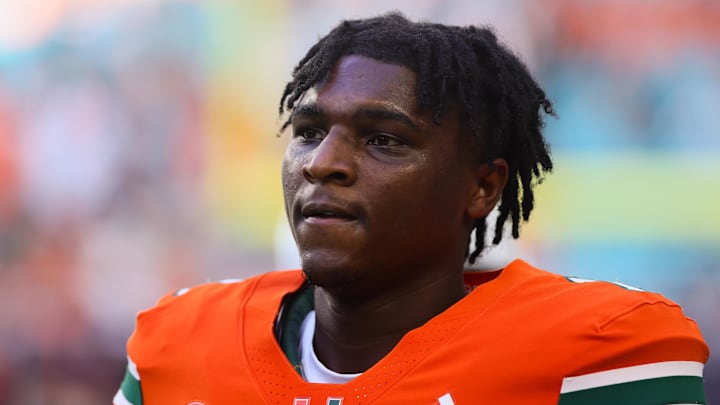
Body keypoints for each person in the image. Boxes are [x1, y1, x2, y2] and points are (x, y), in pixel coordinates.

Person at [113, 13, 709, 405]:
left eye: (384, 140)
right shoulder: (178, 345)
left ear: (483, 188)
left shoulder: (604, 349)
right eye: (309, 131)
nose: (323, 163)